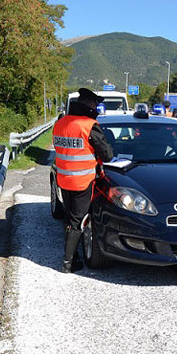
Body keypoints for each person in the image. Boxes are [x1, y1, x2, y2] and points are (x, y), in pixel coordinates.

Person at [53, 88, 114, 273]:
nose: (96, 107)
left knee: (70, 218)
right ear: (90, 105)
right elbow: (108, 155)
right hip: (82, 181)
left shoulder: (60, 123)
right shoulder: (89, 125)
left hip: (63, 179)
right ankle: (67, 263)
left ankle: (74, 258)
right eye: (95, 104)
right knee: (79, 221)